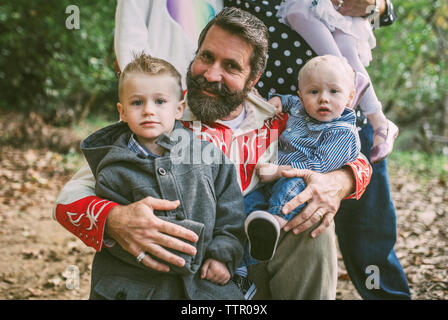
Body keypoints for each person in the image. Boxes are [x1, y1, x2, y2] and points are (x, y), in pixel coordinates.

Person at [54, 7, 372, 300]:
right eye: (206, 57)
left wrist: (340, 180)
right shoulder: (160, 112)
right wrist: (114, 219)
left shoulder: (279, 120)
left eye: (231, 66)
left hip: (250, 263)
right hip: (168, 269)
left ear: (253, 79)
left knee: (314, 227)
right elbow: (70, 197)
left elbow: (350, 152)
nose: (211, 74)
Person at [225, 0, 411, 300]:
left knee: (369, 237)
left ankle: (386, 296)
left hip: (343, 117)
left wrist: (377, 5)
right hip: (276, 117)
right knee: (269, 214)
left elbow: (384, 13)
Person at [81, 53, 246, 299]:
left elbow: (230, 216)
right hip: (138, 287)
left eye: (159, 101)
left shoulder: (209, 157)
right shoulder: (112, 171)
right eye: (137, 102)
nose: (148, 110)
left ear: (179, 108)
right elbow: (116, 237)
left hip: (203, 284)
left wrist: (222, 256)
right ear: (122, 112)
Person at [244, 55, 360, 261]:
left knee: (291, 187)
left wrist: (279, 172)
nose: (323, 98)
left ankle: (275, 223)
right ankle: (247, 254)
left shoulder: (343, 132)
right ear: (301, 95)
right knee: (248, 205)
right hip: (271, 178)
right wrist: (279, 100)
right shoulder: (301, 107)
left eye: (334, 91)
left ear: (350, 97)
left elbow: (319, 166)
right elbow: (291, 101)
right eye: (314, 91)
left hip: (299, 179)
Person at [275, 0, 398, 164]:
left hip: (351, 116)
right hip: (298, 113)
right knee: (298, 13)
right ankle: (357, 84)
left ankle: (378, 118)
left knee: (345, 45)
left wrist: (375, 7)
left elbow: (386, 16)